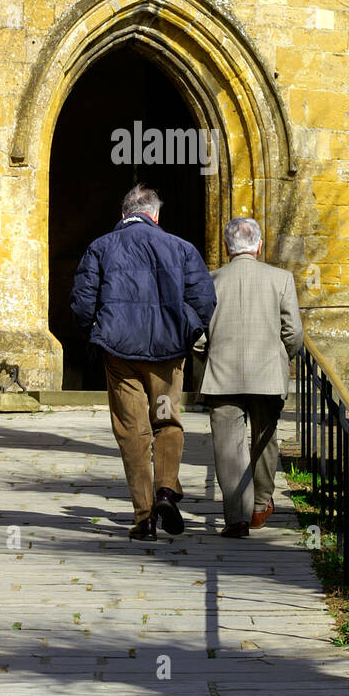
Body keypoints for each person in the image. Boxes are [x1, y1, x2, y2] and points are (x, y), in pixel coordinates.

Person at [70, 185, 217, 541]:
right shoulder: (181, 248)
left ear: (124, 215)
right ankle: (166, 489)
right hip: (167, 358)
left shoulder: (101, 247)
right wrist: (185, 330)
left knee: (132, 432)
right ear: (155, 216)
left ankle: (145, 517)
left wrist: (95, 334)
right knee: (166, 420)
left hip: (120, 356)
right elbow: (205, 301)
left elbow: (81, 302)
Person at [198, 217, 302, 538]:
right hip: (267, 375)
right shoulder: (281, 279)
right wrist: (282, 356)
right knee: (265, 439)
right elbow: (294, 332)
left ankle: (237, 519)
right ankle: (260, 505)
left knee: (228, 447)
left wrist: (208, 353)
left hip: (222, 376)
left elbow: (198, 336)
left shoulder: (210, 281)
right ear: (259, 246)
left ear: (227, 247)